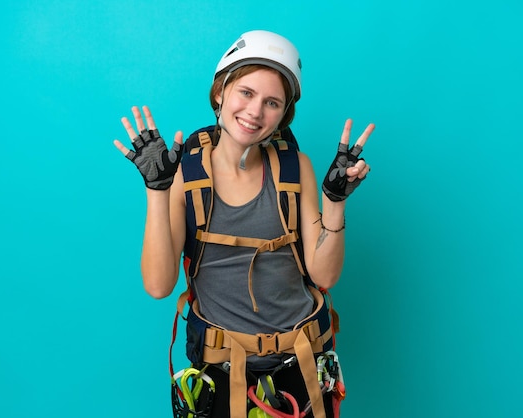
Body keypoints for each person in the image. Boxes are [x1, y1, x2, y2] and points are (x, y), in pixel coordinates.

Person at [113, 30, 374, 418]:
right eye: (246, 93)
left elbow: (324, 275)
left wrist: (334, 202)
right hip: (221, 371)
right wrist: (158, 190)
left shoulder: (294, 168)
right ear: (220, 92)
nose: (255, 112)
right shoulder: (184, 173)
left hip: (300, 367)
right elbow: (158, 285)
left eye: (272, 103)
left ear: (284, 115)